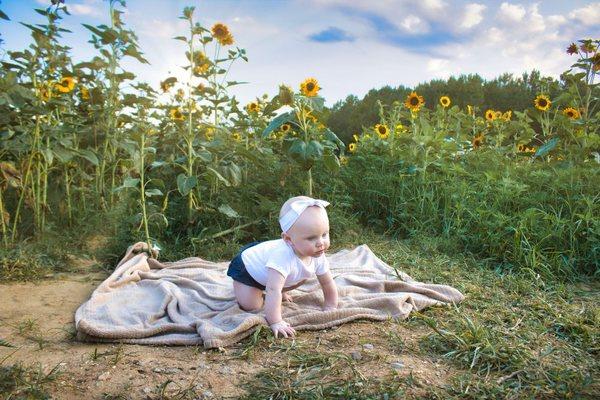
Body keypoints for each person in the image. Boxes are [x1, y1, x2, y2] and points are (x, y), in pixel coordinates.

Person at [227, 196, 339, 338]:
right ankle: (242, 286)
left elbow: (327, 282)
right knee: (252, 306)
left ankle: (279, 288)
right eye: (311, 238)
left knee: (298, 276)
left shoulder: (317, 254)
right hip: (248, 270)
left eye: (324, 234)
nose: (320, 243)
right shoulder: (282, 257)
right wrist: (276, 321)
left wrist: (330, 306)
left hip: (272, 275)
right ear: (288, 239)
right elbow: (273, 290)